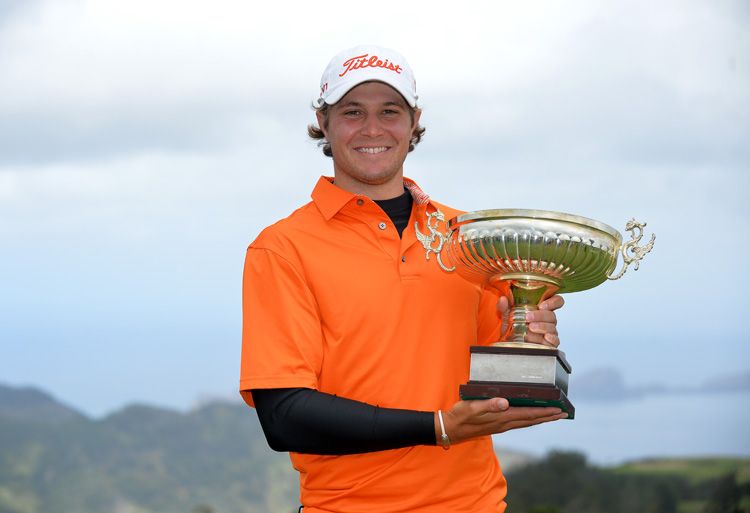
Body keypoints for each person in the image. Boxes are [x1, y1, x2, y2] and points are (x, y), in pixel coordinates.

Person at [240, 45, 568, 513]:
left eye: (389, 112)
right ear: (324, 122)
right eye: (353, 112)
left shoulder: (472, 237)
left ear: (414, 121)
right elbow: (285, 417)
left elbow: (502, 387)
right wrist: (437, 427)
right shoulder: (282, 247)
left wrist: (531, 333)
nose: (372, 129)